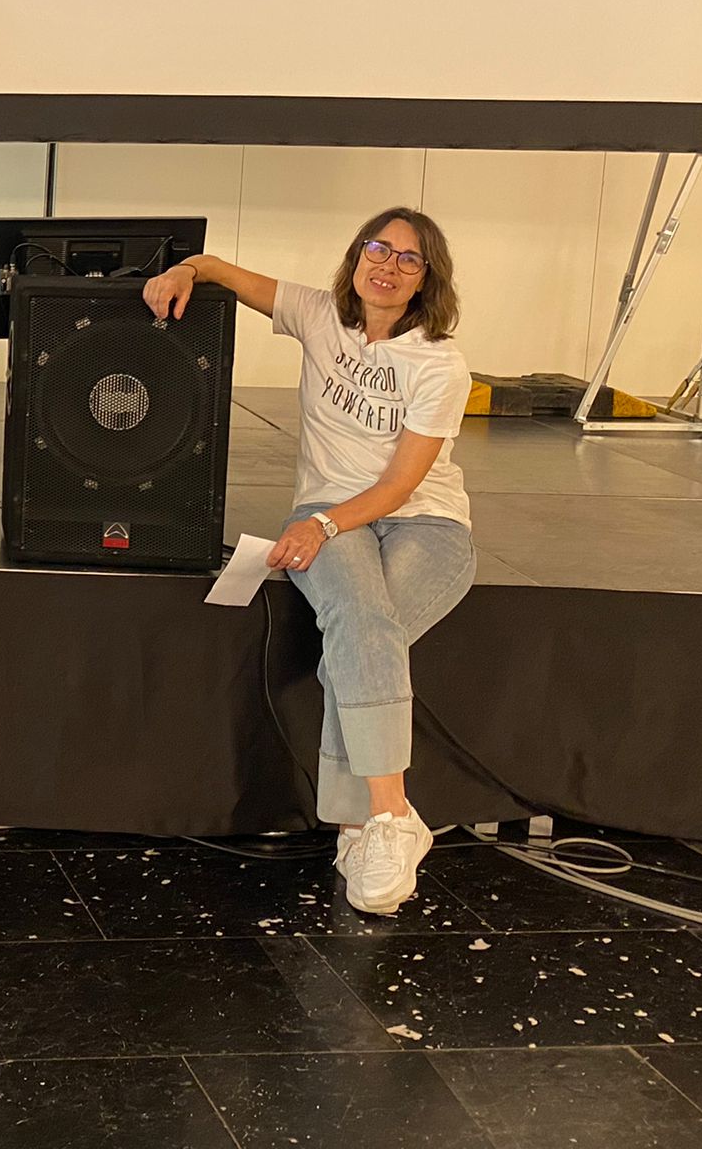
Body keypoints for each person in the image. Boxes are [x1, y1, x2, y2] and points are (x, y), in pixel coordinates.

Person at [143, 207, 474, 915]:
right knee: (360, 621)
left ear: (426, 280)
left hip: (424, 525)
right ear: (356, 257)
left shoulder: (440, 362)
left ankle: (365, 824)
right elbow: (220, 271)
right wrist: (183, 268)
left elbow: (398, 487)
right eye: (376, 249)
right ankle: (394, 819)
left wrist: (324, 523)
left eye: (407, 259)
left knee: (355, 642)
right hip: (329, 517)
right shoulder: (318, 314)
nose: (386, 265)